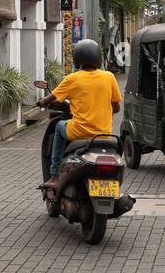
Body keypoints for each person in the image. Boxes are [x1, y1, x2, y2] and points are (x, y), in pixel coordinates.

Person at [36, 38, 121, 191]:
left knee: (59, 127)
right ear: (98, 57)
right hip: (104, 135)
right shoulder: (109, 77)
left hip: (79, 132)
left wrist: (41, 102)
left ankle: (55, 175)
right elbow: (116, 108)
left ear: (78, 59)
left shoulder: (72, 79)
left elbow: (51, 98)